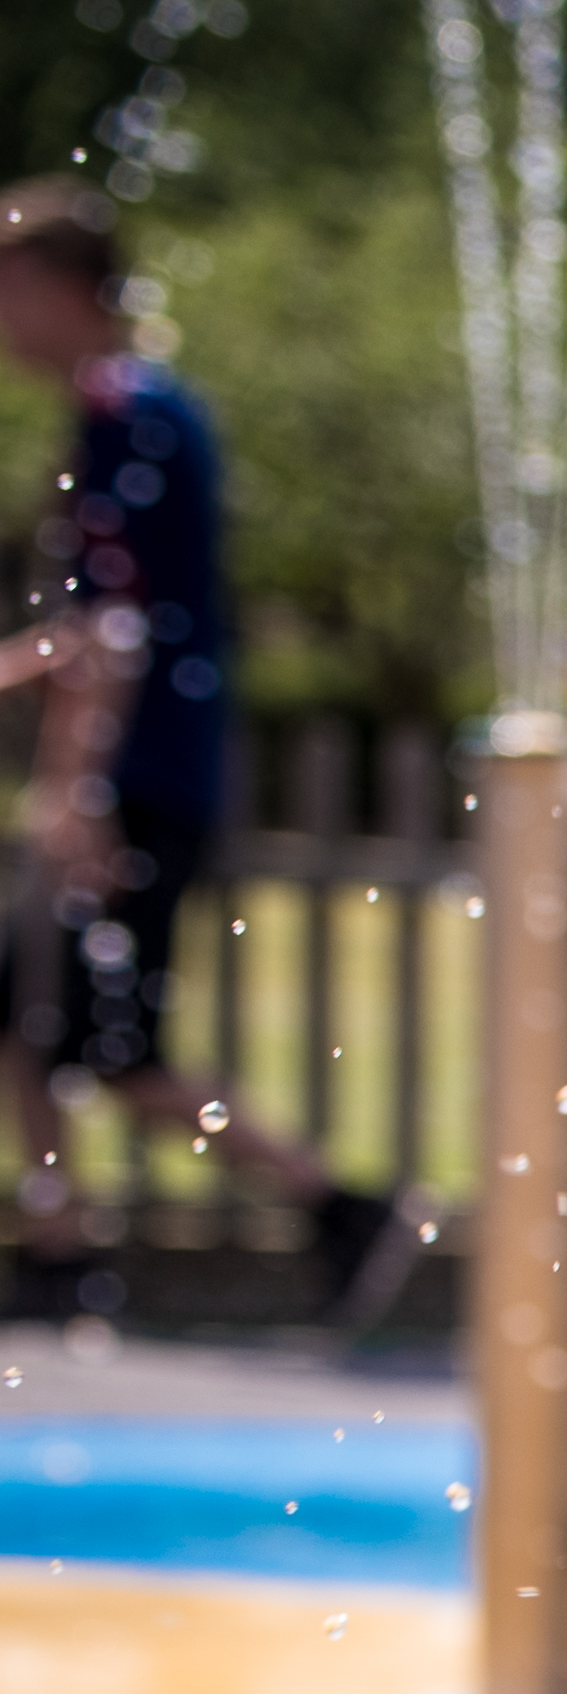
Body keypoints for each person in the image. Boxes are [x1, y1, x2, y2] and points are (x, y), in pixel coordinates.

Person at [0, 179, 394, 1320]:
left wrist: (71, 791)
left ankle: (333, 1203)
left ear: (68, 288)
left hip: (141, 777)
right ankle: (64, 1241)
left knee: (115, 1050)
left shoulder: (129, 414)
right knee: (33, 1016)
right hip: (147, 767)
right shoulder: (137, 409)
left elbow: (120, 632)